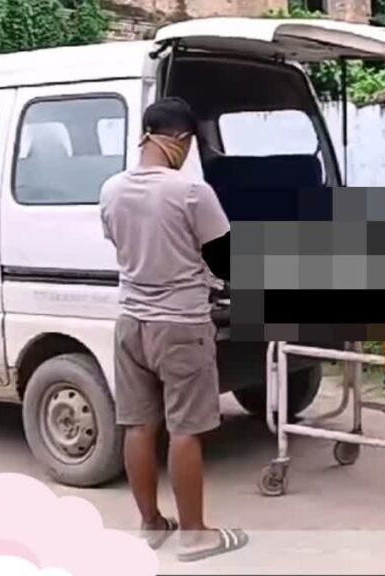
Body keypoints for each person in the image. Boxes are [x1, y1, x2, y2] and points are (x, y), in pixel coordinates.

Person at [100, 97, 247, 562]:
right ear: (180, 140)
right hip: (181, 325)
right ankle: (195, 535)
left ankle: (151, 524)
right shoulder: (192, 192)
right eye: (189, 145)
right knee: (186, 429)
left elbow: (122, 244)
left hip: (131, 323)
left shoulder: (111, 189)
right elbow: (227, 263)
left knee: (138, 425)